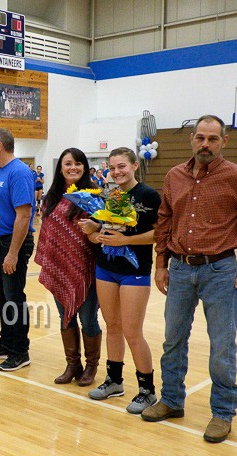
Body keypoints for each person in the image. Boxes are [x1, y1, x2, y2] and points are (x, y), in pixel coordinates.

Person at [141, 114, 237, 443]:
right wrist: (161, 262)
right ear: (192, 138)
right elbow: (164, 221)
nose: (205, 144)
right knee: (172, 340)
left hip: (220, 271)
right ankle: (172, 400)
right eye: (200, 138)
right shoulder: (175, 176)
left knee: (222, 347)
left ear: (224, 142)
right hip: (178, 268)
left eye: (213, 139)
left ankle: (222, 413)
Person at [80, 147, 160, 415]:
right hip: (106, 269)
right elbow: (94, 230)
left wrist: (125, 240)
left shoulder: (148, 196)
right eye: (113, 168)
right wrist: (94, 233)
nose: (117, 172)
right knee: (112, 326)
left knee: (132, 331)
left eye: (122, 166)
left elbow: (158, 234)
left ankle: (147, 390)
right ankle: (114, 381)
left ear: (135, 166)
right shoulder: (107, 195)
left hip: (134, 271)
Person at [34, 148, 102, 387]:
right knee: (65, 318)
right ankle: (73, 364)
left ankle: (92, 365)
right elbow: (48, 233)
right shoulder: (51, 197)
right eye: (68, 163)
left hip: (86, 270)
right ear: (60, 167)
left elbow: (101, 232)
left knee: (88, 319)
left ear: (84, 167)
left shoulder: (93, 196)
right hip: (59, 268)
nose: (73, 168)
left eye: (78, 163)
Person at [0, 128, 36, 371]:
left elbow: (23, 216)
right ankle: (6, 343)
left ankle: (20, 351)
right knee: (3, 296)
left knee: (14, 298)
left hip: (13, 243)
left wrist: (13, 253)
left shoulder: (19, 172)